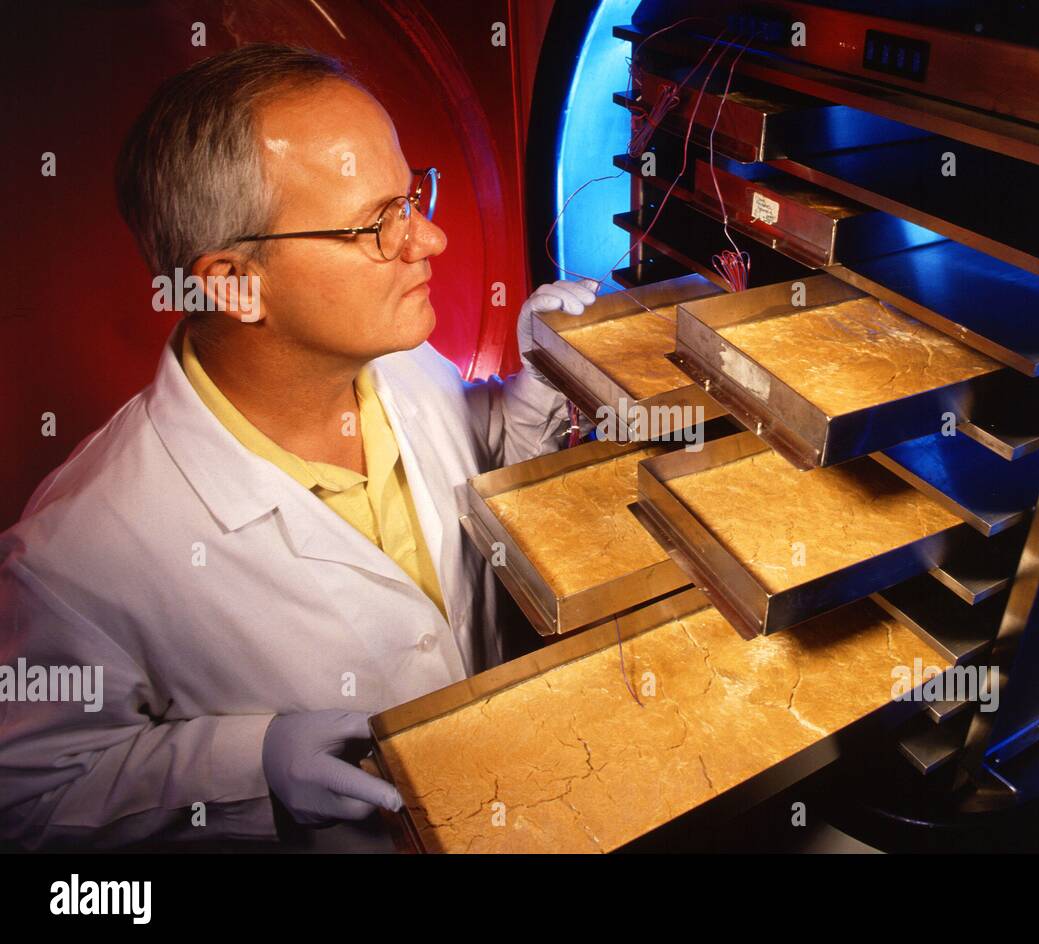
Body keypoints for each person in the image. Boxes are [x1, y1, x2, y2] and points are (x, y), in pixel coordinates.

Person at [0, 43, 598, 850]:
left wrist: (532, 390)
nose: (431, 240)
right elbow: (32, 802)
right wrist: (247, 769)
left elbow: (471, 458)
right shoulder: (77, 553)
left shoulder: (400, 365)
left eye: (413, 195)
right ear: (232, 283)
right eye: (377, 223)